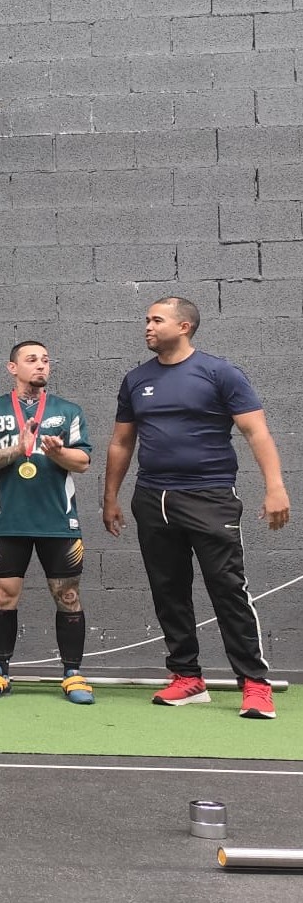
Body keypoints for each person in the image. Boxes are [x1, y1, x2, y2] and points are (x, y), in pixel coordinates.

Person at [102, 297, 289, 720]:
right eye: (146, 320)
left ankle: (255, 684)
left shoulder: (220, 373)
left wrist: (275, 487)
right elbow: (121, 442)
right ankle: (187, 677)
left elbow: (256, 431)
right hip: (153, 498)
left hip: (209, 496)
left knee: (227, 588)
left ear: (184, 326)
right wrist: (110, 497)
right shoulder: (136, 379)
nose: (148, 326)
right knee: (168, 590)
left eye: (157, 320)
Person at [0, 340, 95, 705]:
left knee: (67, 595)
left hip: (58, 521)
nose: (41, 365)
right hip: (8, 521)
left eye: (45, 360)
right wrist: (16, 450)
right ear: (13, 367)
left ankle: (73, 674)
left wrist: (58, 452)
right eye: (32, 360)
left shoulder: (67, 411)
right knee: (4, 596)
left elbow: (83, 462)